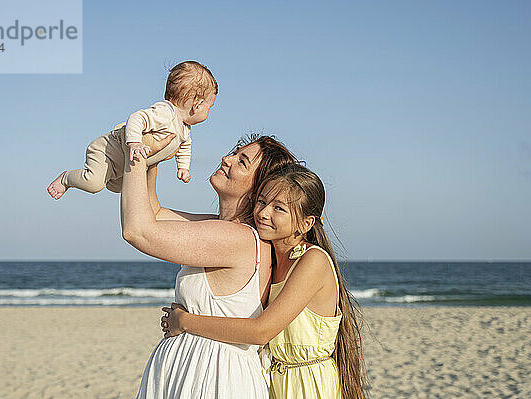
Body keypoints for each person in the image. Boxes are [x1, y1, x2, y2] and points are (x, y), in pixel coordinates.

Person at [162, 164, 367, 399]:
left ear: (306, 223)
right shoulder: (269, 258)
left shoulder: (313, 261)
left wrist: (185, 321)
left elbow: (261, 331)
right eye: (261, 202)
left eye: (278, 208)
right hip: (275, 381)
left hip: (309, 384)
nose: (263, 213)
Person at [120, 133, 298, 398]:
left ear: (259, 188)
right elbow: (154, 213)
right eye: (235, 153)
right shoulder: (224, 228)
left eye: (242, 162)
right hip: (195, 369)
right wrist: (151, 155)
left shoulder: (239, 238)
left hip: (213, 377)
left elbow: (138, 231)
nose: (227, 159)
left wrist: (132, 149)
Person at [47, 60, 218, 200]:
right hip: (107, 151)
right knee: (94, 184)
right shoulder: (165, 112)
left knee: (126, 188)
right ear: (198, 104)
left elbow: (185, 148)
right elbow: (137, 118)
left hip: (121, 166)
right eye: (209, 107)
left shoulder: (184, 129)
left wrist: (183, 167)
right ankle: (66, 178)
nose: (208, 112)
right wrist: (135, 143)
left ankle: (109, 177)